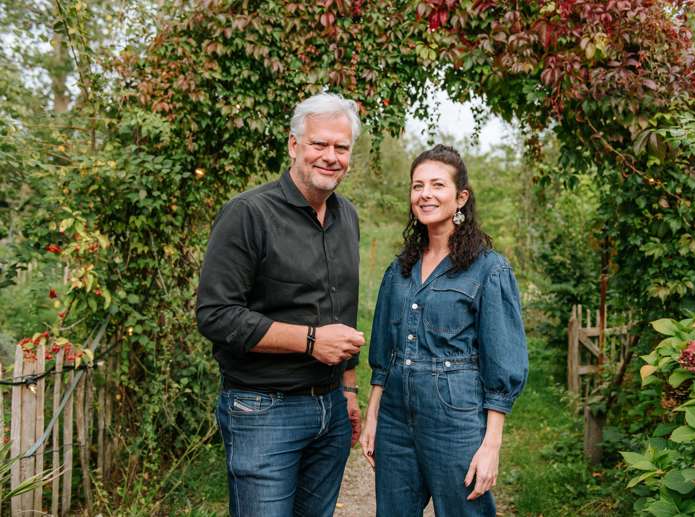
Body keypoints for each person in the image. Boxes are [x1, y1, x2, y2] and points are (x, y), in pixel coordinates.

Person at [196, 92, 366, 517]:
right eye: (319, 144)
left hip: (330, 409)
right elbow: (215, 316)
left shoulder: (348, 217)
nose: (330, 156)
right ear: (294, 145)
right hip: (263, 410)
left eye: (341, 148)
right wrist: (310, 342)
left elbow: (341, 308)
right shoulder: (247, 214)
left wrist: (348, 388)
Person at [359, 144, 529, 516]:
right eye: (417, 186)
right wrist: (373, 416)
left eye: (438, 185)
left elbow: (502, 362)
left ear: (460, 197)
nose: (425, 194)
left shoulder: (489, 270)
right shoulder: (399, 269)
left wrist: (491, 446)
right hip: (395, 418)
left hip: (455, 417)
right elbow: (384, 351)